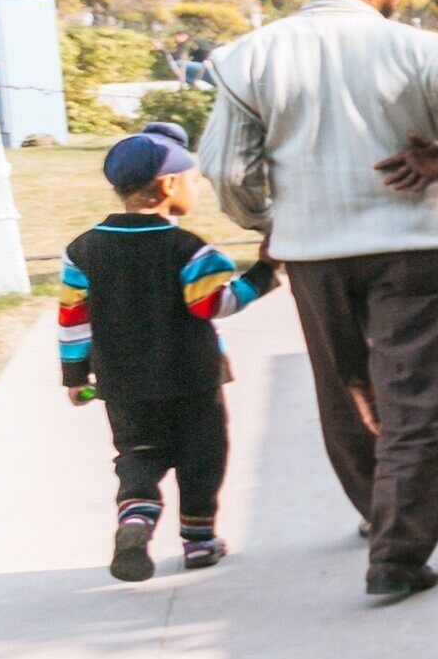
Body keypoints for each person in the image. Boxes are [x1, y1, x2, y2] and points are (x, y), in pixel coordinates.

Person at [198, 0, 438, 600]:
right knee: (413, 396)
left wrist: (267, 220)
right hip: (412, 246)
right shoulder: (423, 48)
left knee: (345, 391)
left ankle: (380, 514)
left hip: (313, 252)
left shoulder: (251, 56)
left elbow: (226, 169)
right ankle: (398, 551)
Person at [56, 122, 277, 580]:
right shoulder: (188, 248)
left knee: (137, 455)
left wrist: (75, 377)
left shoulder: (81, 250)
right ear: (170, 183)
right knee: (202, 457)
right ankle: (199, 541)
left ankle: (135, 521)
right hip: (193, 379)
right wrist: (263, 273)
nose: (195, 189)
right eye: (194, 180)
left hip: (123, 385)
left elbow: (73, 320)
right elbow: (211, 304)